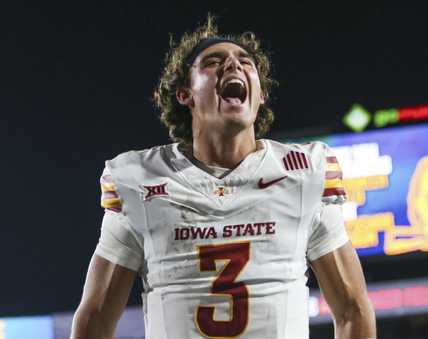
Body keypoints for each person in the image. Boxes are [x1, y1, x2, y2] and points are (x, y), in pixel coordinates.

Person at [70, 15, 376, 339]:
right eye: (213, 62)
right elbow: (96, 317)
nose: (233, 65)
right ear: (185, 94)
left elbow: (352, 310)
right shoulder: (139, 180)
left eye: (246, 62)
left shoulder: (303, 173)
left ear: (260, 95)